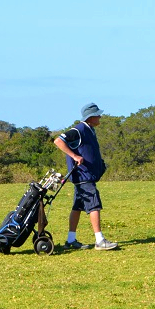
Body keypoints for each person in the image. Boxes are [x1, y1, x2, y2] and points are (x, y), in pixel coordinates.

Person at [53, 103, 119, 250]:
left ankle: (71, 240)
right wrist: (74, 156)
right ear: (90, 117)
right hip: (84, 177)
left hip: (84, 177)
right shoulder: (79, 129)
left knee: (77, 207)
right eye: (98, 114)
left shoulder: (90, 130)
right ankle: (100, 240)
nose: (100, 117)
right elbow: (58, 141)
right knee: (94, 205)